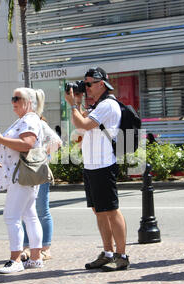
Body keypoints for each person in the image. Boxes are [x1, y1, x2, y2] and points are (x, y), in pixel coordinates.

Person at [64, 67, 129, 272]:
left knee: (111, 210)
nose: (87, 88)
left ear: (102, 84)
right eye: (85, 84)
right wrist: (79, 103)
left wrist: (73, 105)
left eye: (89, 84)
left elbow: (81, 123)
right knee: (99, 211)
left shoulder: (108, 104)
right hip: (91, 165)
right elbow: (83, 128)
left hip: (104, 164)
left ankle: (121, 255)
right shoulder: (97, 106)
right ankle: (108, 253)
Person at [0, 87, 45, 274]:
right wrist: (0, 141)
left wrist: (2, 140)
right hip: (22, 175)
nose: (13, 101)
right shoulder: (24, 119)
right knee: (29, 216)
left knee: (11, 216)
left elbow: (27, 144)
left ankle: (15, 259)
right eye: (12, 97)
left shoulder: (29, 119)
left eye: (17, 98)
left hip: (21, 175)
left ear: (29, 101)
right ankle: (36, 258)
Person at [21, 117, 62, 262]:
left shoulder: (39, 123)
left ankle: (45, 248)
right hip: (25, 172)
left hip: (39, 171)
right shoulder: (22, 123)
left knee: (41, 210)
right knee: (25, 211)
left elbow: (57, 142)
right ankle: (27, 247)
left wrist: (43, 155)